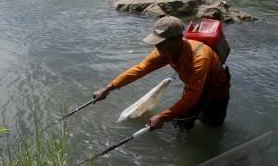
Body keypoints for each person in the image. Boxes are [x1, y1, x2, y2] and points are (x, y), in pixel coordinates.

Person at [93, 16, 230, 131]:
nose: (156, 46)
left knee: (212, 127)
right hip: (192, 86)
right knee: (181, 126)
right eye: (155, 42)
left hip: (215, 92)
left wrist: (162, 116)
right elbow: (140, 69)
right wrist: (109, 88)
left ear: (176, 39)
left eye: (160, 42)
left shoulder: (200, 57)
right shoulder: (165, 51)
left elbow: (193, 95)